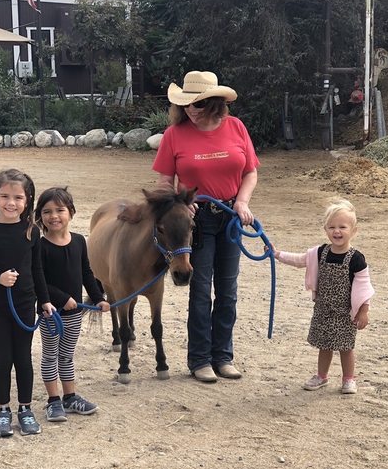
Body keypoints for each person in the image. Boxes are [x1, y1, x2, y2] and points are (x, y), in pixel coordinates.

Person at [153, 70, 259, 383]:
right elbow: (163, 181)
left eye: (196, 105)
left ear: (213, 103)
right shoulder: (175, 134)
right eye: (185, 105)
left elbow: (250, 172)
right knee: (200, 291)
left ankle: (223, 357)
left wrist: (242, 202)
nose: (189, 110)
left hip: (230, 217)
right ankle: (200, 359)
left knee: (228, 290)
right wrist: (178, 202)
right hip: (195, 221)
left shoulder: (236, 127)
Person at [0, 168, 56, 437]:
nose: (11, 203)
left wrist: (45, 301)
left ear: (27, 201)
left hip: (25, 304)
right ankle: (3, 410)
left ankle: (25, 409)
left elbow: (38, 270)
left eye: (18, 197)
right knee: (3, 358)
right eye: (5, 196)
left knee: (23, 358)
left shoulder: (32, 231)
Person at [273, 199, 374, 394]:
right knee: (324, 345)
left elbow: (364, 288)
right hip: (323, 309)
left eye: (343, 227)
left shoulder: (356, 259)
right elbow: (299, 260)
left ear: (354, 230)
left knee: (346, 347)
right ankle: (322, 376)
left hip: (345, 312)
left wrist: (363, 311)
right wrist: (277, 254)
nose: (337, 231)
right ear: (326, 229)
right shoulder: (319, 253)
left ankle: (348, 379)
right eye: (332, 227)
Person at [34, 187, 110, 421]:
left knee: (67, 355)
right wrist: (60, 298)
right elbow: (39, 280)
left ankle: (70, 397)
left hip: (75, 312)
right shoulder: (39, 245)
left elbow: (86, 273)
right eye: (47, 211)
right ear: (39, 217)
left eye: (60, 210)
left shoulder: (78, 241)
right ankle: (53, 401)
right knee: (50, 356)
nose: (53, 216)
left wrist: (98, 297)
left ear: (72, 212)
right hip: (51, 313)